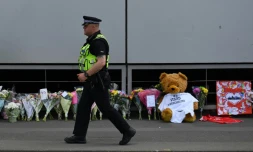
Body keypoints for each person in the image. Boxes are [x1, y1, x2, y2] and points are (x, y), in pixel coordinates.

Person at [64, 15, 136, 145]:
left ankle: (127, 130)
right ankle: (79, 136)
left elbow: (101, 62)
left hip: (97, 80)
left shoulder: (98, 42)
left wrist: (85, 74)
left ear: (93, 26)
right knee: (83, 107)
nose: (84, 28)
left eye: (85, 26)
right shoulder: (91, 41)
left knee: (105, 108)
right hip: (92, 80)